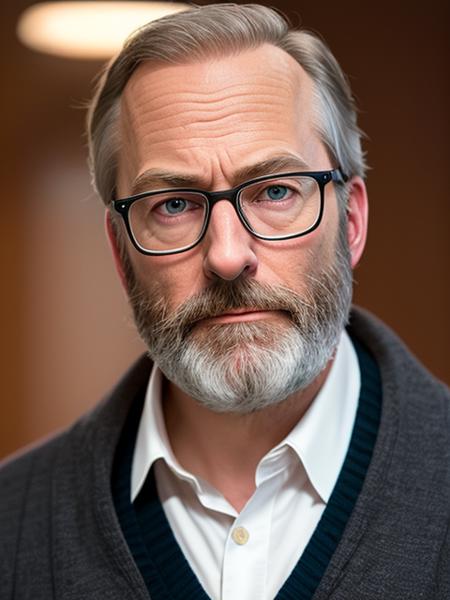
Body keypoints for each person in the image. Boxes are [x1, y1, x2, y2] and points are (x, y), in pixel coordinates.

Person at [1, 3, 449, 599]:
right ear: (119, 251)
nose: (228, 256)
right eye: (174, 205)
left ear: (353, 221)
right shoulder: (12, 529)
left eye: (275, 191)